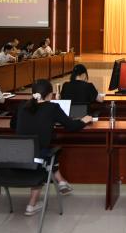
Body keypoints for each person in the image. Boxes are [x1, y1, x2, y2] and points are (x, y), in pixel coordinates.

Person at [15, 79, 90, 213]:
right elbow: (72, 126)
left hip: (17, 155)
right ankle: (31, 205)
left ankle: (61, 181)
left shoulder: (22, 106)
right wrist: (84, 120)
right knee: (47, 154)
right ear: (50, 95)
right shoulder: (52, 108)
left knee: (43, 151)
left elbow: (13, 125)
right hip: (36, 159)